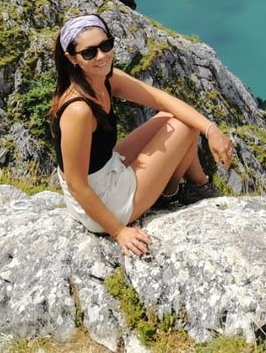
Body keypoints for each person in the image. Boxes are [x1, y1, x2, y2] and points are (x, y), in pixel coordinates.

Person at [48, 13, 234, 257]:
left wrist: (211, 130)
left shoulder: (105, 79)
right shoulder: (78, 110)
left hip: (105, 171)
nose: (101, 56)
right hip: (102, 202)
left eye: (106, 45)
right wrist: (118, 231)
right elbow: (76, 184)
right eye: (89, 53)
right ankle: (185, 190)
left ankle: (197, 187)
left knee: (169, 118)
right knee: (185, 127)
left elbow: (158, 98)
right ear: (71, 58)